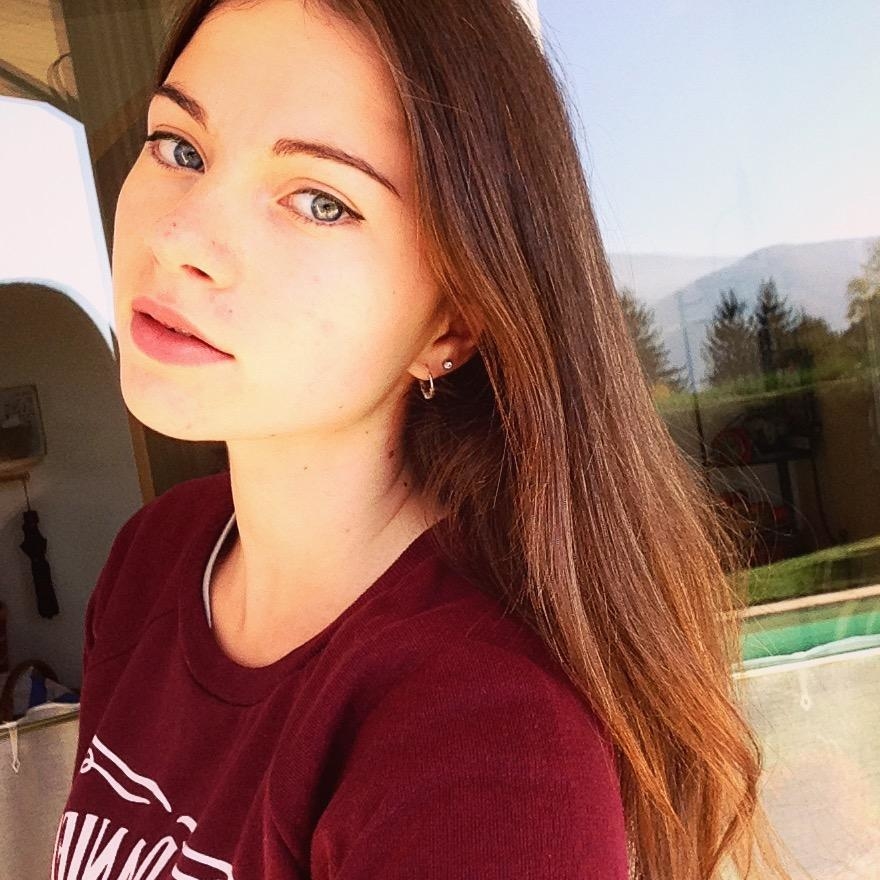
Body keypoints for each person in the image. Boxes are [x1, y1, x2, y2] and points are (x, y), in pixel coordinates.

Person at [55, 1, 796, 878]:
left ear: (453, 320)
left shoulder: (491, 750)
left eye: (320, 201)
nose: (179, 238)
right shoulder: (156, 557)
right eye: (180, 148)